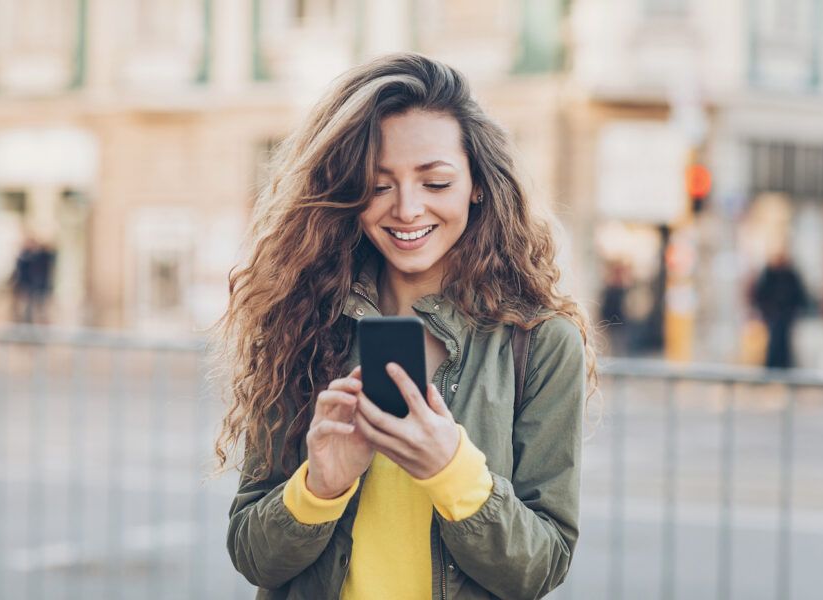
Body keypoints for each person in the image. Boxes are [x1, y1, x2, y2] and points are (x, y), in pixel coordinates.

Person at [213, 53, 598, 600]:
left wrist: (453, 471)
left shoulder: (538, 340)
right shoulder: (303, 319)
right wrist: (320, 487)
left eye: (436, 182)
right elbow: (254, 556)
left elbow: (539, 568)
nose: (408, 209)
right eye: (379, 184)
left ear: (477, 185)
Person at [750, 249, 809, 369]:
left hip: (786, 316)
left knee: (785, 342)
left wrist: (793, 310)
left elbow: (799, 295)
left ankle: (784, 366)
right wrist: (767, 310)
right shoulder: (769, 274)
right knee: (774, 340)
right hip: (773, 315)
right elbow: (759, 294)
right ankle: (772, 366)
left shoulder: (790, 274)